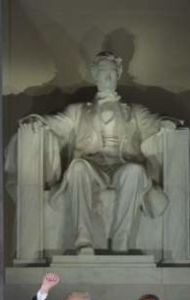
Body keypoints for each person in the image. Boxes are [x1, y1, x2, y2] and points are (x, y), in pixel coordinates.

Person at [16, 51, 179, 255]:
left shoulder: (134, 111)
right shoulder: (78, 111)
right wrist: (38, 121)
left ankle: (121, 242)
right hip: (92, 168)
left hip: (122, 166)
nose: (108, 76)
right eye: (103, 72)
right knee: (77, 169)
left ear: (118, 74)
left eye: (112, 72)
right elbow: (56, 123)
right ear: (95, 74)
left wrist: (167, 123)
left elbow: (154, 123)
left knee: (135, 172)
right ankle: (83, 241)